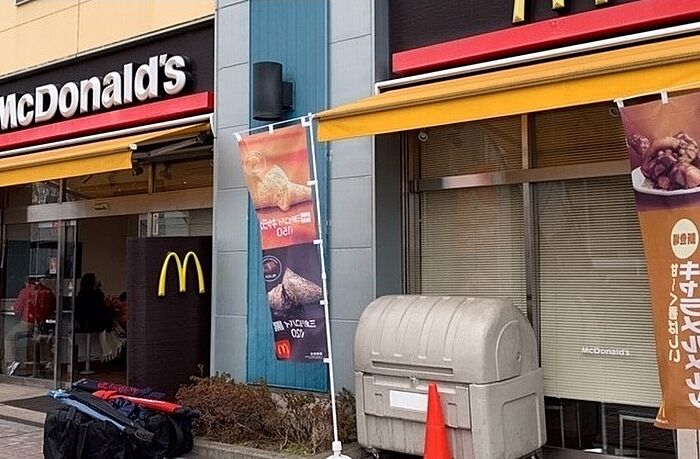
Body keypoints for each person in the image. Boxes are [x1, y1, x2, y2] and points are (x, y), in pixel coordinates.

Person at [4, 277, 56, 376]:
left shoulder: (25, 291)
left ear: (28, 282)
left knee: (9, 337)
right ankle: (49, 361)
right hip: (43, 324)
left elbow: (17, 309)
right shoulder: (48, 292)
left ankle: (10, 362)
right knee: (43, 339)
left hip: (28, 323)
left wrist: (15, 309)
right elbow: (52, 307)